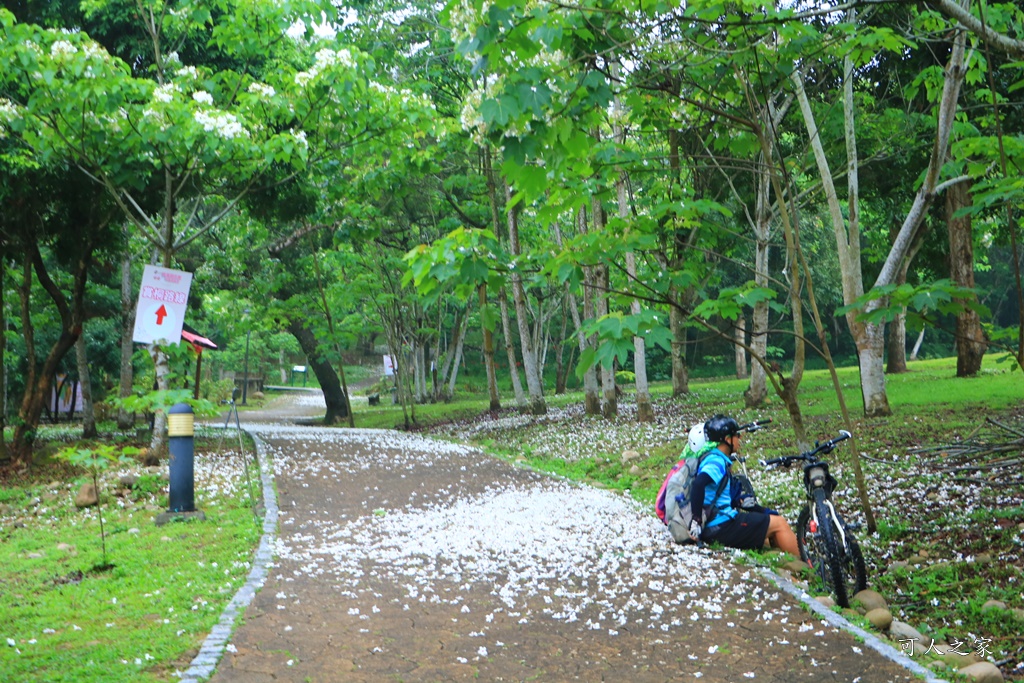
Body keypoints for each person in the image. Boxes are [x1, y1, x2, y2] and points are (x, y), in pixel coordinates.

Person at [688, 414, 799, 556]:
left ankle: (789, 563)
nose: (739, 439)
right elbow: (698, 484)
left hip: (716, 524)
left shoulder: (714, 457)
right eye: (736, 435)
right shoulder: (716, 462)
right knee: (779, 524)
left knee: (766, 529)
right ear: (727, 439)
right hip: (721, 526)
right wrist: (696, 521)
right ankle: (807, 568)